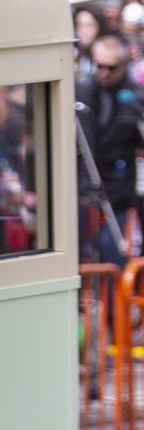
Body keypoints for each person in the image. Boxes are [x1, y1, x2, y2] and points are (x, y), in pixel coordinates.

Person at [79, 32, 143, 263]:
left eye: (111, 67)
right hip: (85, 188)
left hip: (119, 192)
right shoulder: (83, 90)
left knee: (111, 250)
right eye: (99, 66)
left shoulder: (134, 97)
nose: (103, 73)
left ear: (124, 65)